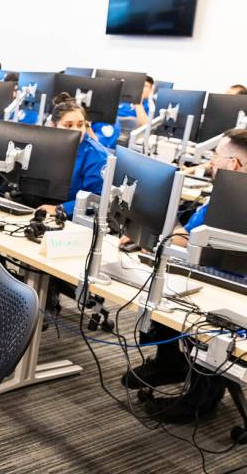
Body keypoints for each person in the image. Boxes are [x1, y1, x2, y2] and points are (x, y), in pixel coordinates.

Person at [121, 128, 247, 423]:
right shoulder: (222, 196)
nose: (210, 163)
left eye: (216, 157)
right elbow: (186, 236)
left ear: (235, 165)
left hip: (236, 294)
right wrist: (154, 237)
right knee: (160, 278)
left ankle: (202, 398)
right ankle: (171, 363)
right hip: (210, 276)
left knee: (202, 310)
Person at [0, 93, 108, 218]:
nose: (77, 130)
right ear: (53, 125)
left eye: (80, 125)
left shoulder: (96, 155)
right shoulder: (41, 141)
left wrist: (60, 209)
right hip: (28, 207)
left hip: (64, 218)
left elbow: (95, 199)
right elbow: (19, 175)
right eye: (68, 125)